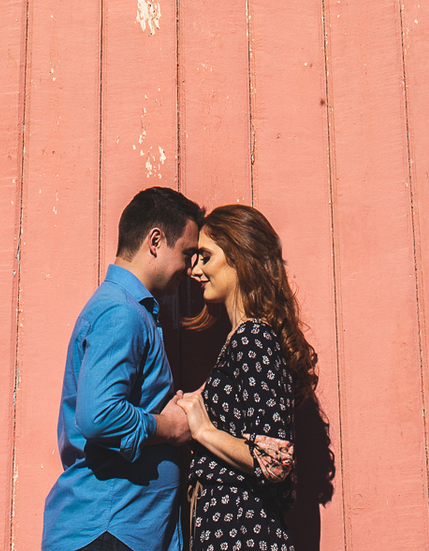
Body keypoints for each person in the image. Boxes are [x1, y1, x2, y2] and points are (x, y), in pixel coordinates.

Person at [42, 186, 205, 551]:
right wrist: (169, 426)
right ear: (155, 241)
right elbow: (99, 415)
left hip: (120, 529)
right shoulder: (122, 312)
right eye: (187, 253)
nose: (191, 268)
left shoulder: (129, 310)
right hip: (108, 528)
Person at [175, 205, 320, 551]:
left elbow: (274, 459)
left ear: (239, 259)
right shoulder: (243, 339)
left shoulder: (252, 338)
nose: (194, 270)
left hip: (242, 532)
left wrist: (204, 430)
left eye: (205, 257)